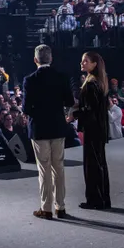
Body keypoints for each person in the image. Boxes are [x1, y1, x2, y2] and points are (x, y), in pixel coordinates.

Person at [21, 44, 75, 219]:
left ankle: (46, 209)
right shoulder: (62, 77)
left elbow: (26, 108)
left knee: (44, 169)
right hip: (58, 127)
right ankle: (61, 207)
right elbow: (69, 101)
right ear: (51, 59)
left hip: (39, 129)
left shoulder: (30, 80)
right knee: (58, 168)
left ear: (35, 60)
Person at [73, 51, 112, 210]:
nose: (82, 63)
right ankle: (103, 199)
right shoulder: (100, 82)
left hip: (92, 129)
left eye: (85, 61)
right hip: (100, 129)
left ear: (94, 64)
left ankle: (95, 200)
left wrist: (73, 115)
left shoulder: (90, 84)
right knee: (100, 164)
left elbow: (89, 110)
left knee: (92, 166)